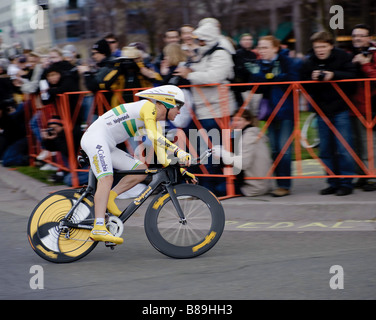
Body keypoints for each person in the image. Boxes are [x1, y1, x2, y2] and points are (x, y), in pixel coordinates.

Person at [80, 85, 194, 244]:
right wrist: (178, 151)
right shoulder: (149, 107)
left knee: (141, 171)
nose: (180, 111)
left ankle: (111, 197)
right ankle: (98, 227)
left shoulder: (155, 120)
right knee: (106, 179)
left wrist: (181, 171)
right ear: (167, 103)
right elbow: (154, 137)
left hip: (108, 145)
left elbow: (162, 156)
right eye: (178, 106)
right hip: (96, 139)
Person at [173, 21, 236, 195]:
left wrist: (190, 74)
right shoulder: (204, 52)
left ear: (207, 39)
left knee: (215, 152)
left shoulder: (221, 53)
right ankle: (207, 188)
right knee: (205, 152)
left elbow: (214, 76)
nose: (197, 43)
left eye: (200, 40)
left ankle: (217, 189)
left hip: (216, 109)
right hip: (203, 109)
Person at [301, 31, 357, 196]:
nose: (320, 50)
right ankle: (332, 181)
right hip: (321, 110)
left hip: (340, 108)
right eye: (317, 46)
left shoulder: (342, 57)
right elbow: (303, 85)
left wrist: (333, 75)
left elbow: (353, 77)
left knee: (344, 148)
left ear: (331, 46)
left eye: (323, 46)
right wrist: (311, 79)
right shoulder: (309, 61)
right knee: (325, 149)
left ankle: (346, 182)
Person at [247, 35, 300, 197]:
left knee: (284, 148)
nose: (261, 51)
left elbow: (292, 79)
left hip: (285, 111)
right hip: (269, 111)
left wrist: (271, 78)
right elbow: (255, 84)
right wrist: (271, 78)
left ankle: (284, 185)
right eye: (260, 47)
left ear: (275, 48)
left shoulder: (285, 61)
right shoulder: (260, 64)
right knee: (275, 148)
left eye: (265, 47)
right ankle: (278, 182)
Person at [212, 109, 271, 196]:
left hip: (254, 186)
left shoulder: (249, 136)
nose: (235, 123)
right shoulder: (251, 133)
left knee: (214, 190)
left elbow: (244, 162)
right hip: (261, 183)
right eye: (233, 120)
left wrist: (223, 153)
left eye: (239, 120)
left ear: (248, 121)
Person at [350, 24, 376, 191]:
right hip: (352, 106)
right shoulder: (349, 54)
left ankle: (371, 177)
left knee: (369, 145)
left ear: (368, 37)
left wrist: (366, 64)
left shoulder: (373, 54)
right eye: (354, 36)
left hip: (370, 106)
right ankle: (361, 175)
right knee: (357, 144)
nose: (357, 38)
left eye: (361, 35)